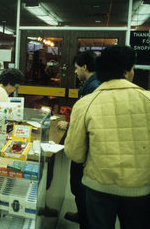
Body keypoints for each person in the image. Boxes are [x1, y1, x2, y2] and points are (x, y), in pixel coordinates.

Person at [64, 45, 150, 229]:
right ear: (127, 70)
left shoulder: (86, 103)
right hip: (139, 189)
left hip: (98, 187)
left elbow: (74, 153)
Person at [58, 50, 100, 229]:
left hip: (86, 148)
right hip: (83, 145)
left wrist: (70, 127)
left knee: (80, 186)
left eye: (76, 68)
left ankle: (85, 220)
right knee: (78, 186)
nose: (74, 72)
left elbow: (90, 119)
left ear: (84, 67)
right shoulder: (89, 84)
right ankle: (82, 214)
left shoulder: (94, 86)